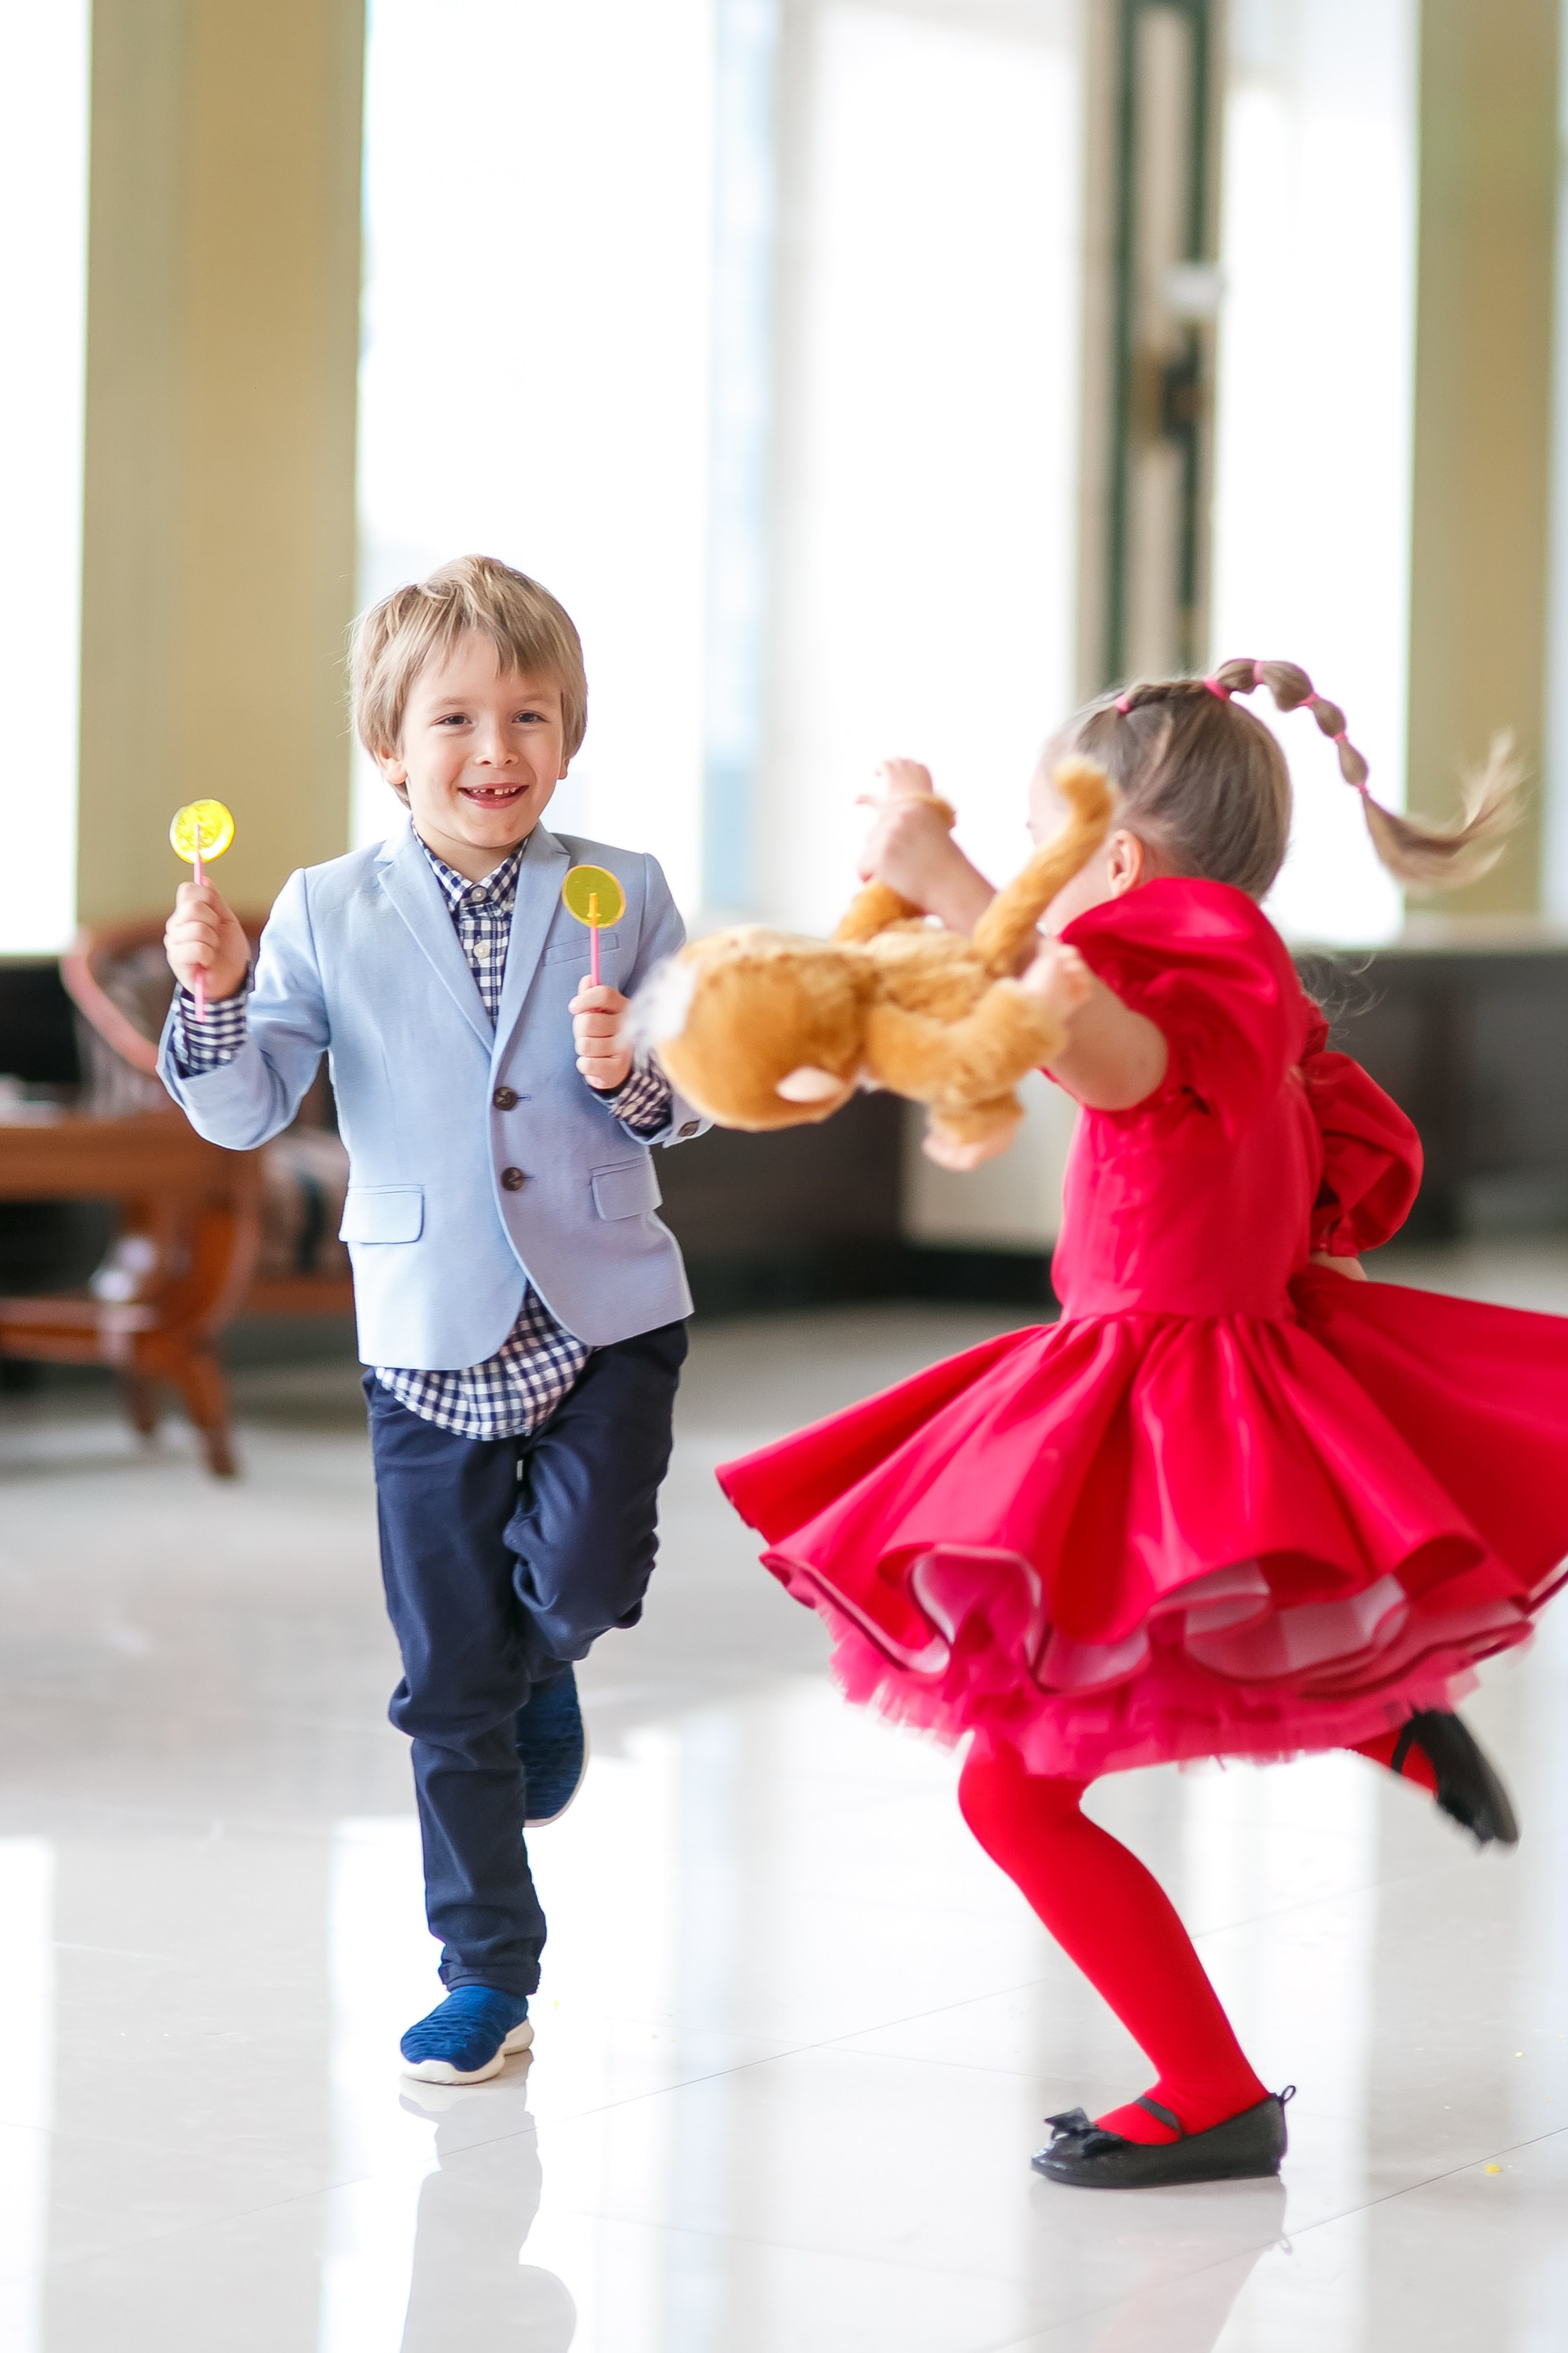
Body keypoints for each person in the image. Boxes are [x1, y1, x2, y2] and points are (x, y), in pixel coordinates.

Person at [718, 658, 1568, 2187]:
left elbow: (1100, 1046)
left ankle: (1209, 2086)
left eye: (1051, 845)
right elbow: (1287, 1195)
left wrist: (941, 875)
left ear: (1112, 859)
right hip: (1201, 1380)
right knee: (1160, 1657)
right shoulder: (1257, 990)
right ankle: (1376, 1705)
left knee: (1008, 1790)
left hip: (1153, 1388)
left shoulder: (1183, 973)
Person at [161, 555, 706, 2085]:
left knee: (583, 1587)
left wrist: (630, 1079)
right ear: (388, 748)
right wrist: (209, 996)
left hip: (604, 1308)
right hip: (420, 1327)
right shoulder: (328, 910)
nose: (496, 749)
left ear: (570, 735)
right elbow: (247, 1104)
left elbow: (695, 1100)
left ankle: (553, 1666)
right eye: (455, 718)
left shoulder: (628, 887)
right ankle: (484, 1971)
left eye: (530, 715)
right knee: (445, 1674)